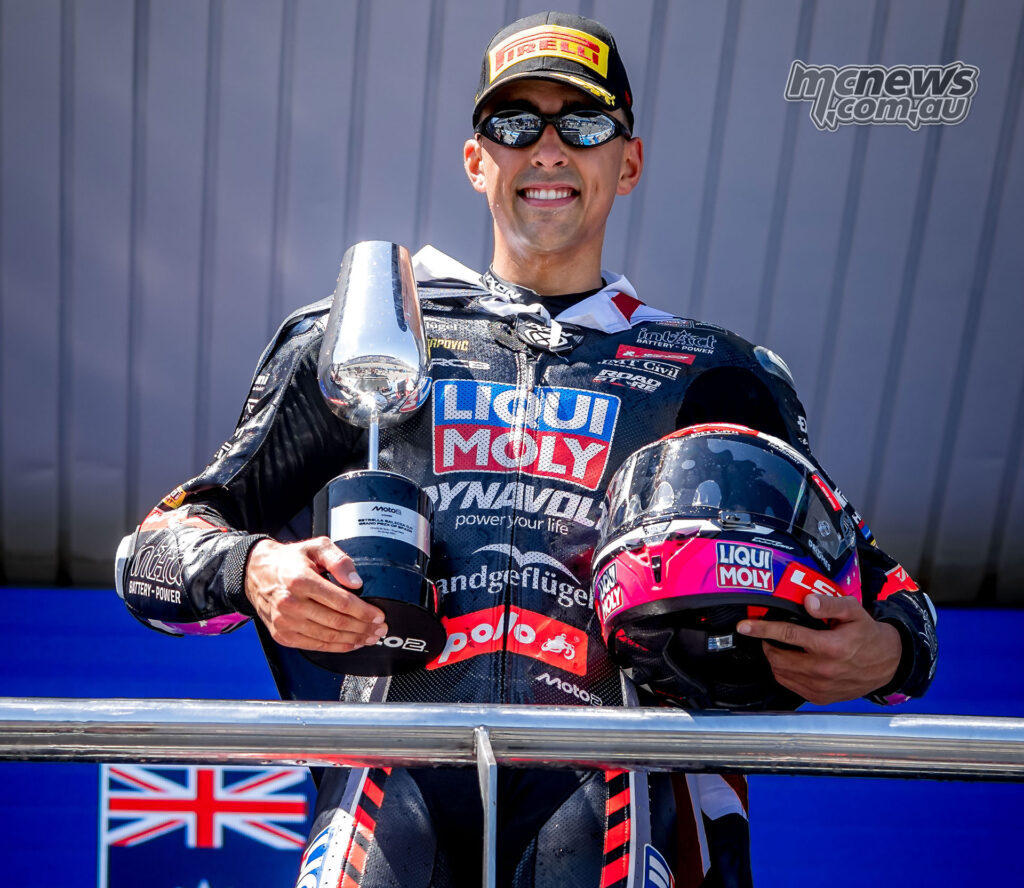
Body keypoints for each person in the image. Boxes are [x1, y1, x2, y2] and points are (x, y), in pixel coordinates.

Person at [116, 12, 937, 887]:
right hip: (389, 797)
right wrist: (253, 571)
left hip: (626, 795)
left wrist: (881, 654)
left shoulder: (717, 374)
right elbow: (152, 556)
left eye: (581, 125)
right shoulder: (364, 337)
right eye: (515, 125)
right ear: (478, 161)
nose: (547, 150)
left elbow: (890, 597)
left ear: (628, 161)